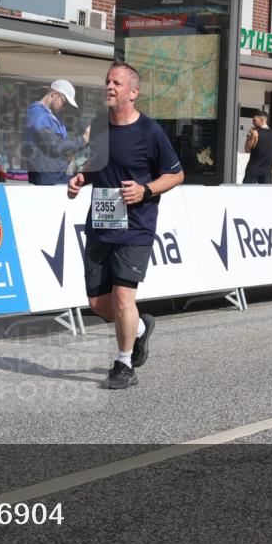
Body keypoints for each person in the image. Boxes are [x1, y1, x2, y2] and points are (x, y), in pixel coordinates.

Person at [67, 62, 184, 389]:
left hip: (136, 226)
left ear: (133, 92)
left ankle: (123, 365)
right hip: (101, 223)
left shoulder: (150, 132)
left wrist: (145, 190)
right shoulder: (99, 127)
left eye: (116, 83)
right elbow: (100, 167)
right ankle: (141, 330)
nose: (109, 86)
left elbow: (176, 174)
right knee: (98, 304)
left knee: (122, 297)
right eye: (107, 81)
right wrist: (81, 178)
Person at [25, 79, 90, 185]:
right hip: (44, 178)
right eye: (64, 102)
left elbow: (64, 146)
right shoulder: (36, 113)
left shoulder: (55, 117)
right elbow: (55, 146)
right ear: (54, 94)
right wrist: (84, 139)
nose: (64, 107)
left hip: (58, 175)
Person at [243, 110, 272, 184]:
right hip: (267, 171)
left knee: (246, 193)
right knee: (265, 194)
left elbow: (246, 149)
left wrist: (250, 137)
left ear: (262, 120)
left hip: (253, 170)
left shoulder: (255, 133)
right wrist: (270, 159)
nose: (253, 122)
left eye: (255, 120)